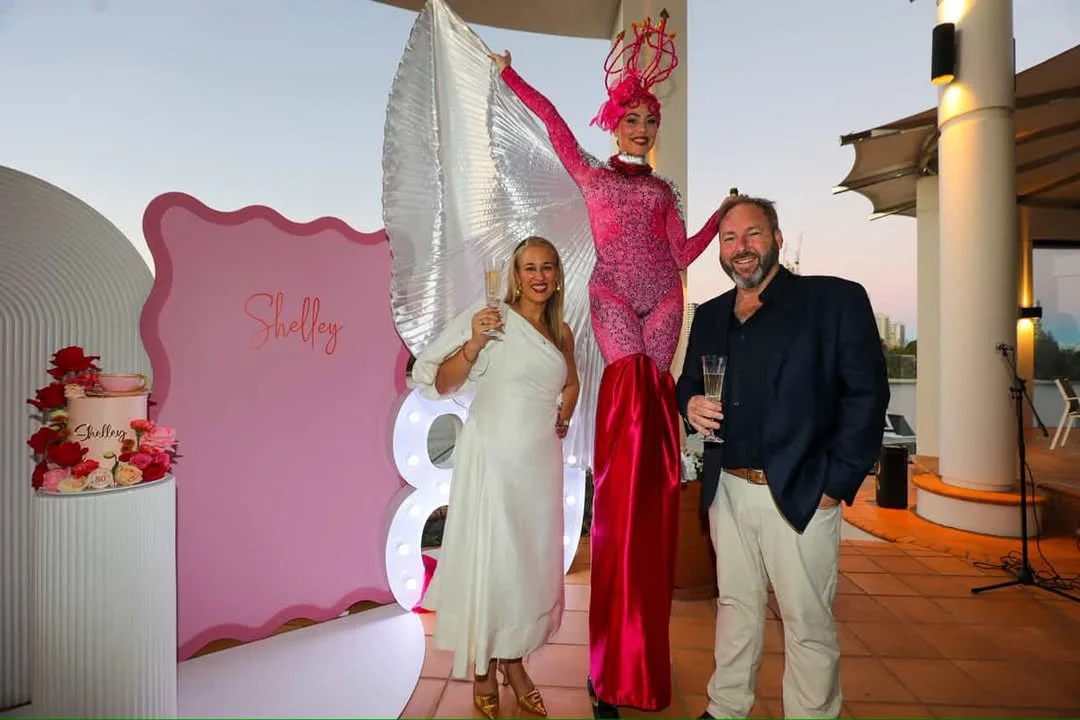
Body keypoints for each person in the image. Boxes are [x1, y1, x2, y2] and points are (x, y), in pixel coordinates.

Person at [490, 14, 721, 717]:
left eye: (652, 119)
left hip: (663, 308)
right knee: (626, 431)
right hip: (616, 300)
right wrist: (509, 75)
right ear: (615, 123)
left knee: (654, 434)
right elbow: (555, 121)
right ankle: (607, 657)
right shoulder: (589, 174)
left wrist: (720, 218)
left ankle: (664, 485)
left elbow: (679, 257)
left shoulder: (663, 194)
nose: (644, 128)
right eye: (634, 118)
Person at [675, 196, 889, 719]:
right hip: (727, 490)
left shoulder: (832, 301)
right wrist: (690, 404)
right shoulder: (709, 315)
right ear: (720, 251)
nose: (740, 248)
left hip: (800, 491)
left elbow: (867, 395)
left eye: (752, 234)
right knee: (735, 609)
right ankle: (725, 709)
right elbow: (688, 384)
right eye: (729, 239)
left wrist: (834, 486)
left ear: (776, 238)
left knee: (806, 622)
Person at [413, 237, 580, 720]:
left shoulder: (563, 332)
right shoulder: (490, 317)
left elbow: (570, 382)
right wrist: (473, 344)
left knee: (526, 565)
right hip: (492, 460)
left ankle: (515, 660)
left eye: (547, 266)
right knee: (494, 563)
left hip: (539, 464)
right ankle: (486, 669)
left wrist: (564, 412)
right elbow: (439, 381)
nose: (539, 276)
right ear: (514, 273)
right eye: (529, 267)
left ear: (557, 274)